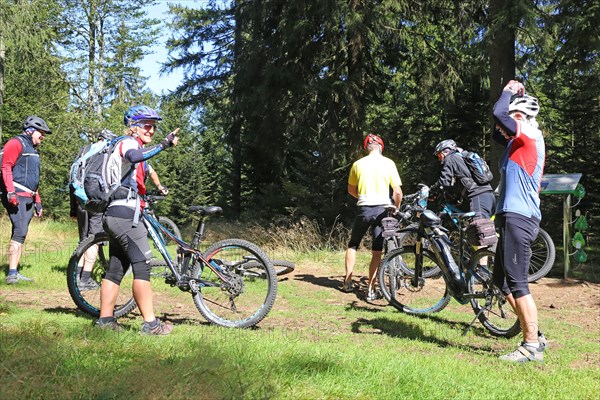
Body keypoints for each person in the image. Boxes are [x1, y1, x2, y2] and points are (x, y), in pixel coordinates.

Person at [96, 105, 179, 335]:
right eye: (147, 126)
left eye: (153, 127)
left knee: (115, 270)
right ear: (133, 127)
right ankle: (151, 325)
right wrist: (162, 145)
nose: (151, 130)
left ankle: (105, 322)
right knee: (143, 266)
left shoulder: (127, 145)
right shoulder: (129, 143)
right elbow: (134, 156)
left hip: (115, 214)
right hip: (125, 215)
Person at [492, 80, 547, 362]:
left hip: (519, 216)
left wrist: (508, 92)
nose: (508, 124)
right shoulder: (515, 143)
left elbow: (498, 115)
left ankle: (531, 346)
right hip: (509, 216)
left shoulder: (529, 135)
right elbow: (497, 128)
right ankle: (535, 334)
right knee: (502, 283)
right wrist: (516, 96)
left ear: (523, 118)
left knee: (518, 283)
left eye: (514, 116)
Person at [343, 133, 402, 301]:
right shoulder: (389, 163)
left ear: (366, 148)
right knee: (377, 251)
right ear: (381, 147)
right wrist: (396, 207)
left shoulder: (357, 164)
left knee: (353, 244)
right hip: (382, 210)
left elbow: (351, 189)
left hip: (364, 208)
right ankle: (371, 289)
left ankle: (347, 282)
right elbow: (397, 191)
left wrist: (362, 197)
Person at [1, 116, 51, 284]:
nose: (42, 137)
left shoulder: (31, 148)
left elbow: (33, 178)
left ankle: (14, 271)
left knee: (21, 233)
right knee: (20, 231)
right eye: (41, 133)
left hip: (28, 196)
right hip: (17, 195)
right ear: (31, 131)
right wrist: (10, 192)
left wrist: (38, 200)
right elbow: (6, 166)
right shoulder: (15, 143)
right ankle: (12, 274)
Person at [69, 129, 117, 290]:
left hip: (81, 200)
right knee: (95, 240)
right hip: (97, 201)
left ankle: (76, 276)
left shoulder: (85, 151)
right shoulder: (107, 153)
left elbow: (72, 179)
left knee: (84, 241)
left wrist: (73, 209)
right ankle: (85, 279)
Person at [431, 139, 495, 220]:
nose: (439, 159)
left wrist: (431, 191)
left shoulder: (450, 158)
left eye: (439, 155)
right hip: (488, 195)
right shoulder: (460, 158)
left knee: (481, 227)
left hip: (478, 196)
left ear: (445, 151)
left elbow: (444, 181)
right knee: (481, 227)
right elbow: (462, 180)